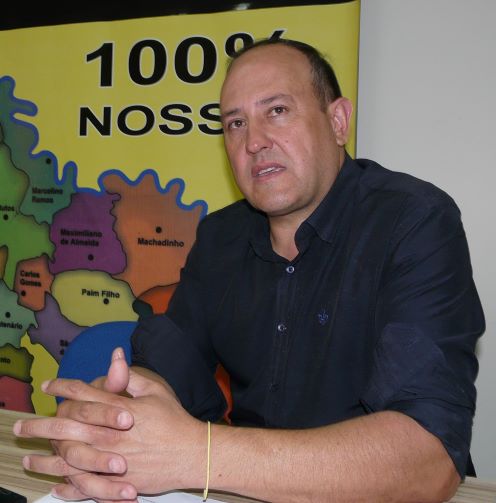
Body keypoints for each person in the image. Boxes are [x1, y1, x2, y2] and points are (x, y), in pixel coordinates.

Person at [13, 38, 485, 503]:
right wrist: (114, 419)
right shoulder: (220, 236)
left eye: (277, 110)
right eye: (235, 123)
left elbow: (429, 460)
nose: (254, 141)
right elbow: (169, 366)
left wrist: (199, 455)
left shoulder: (414, 221)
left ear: (338, 121)